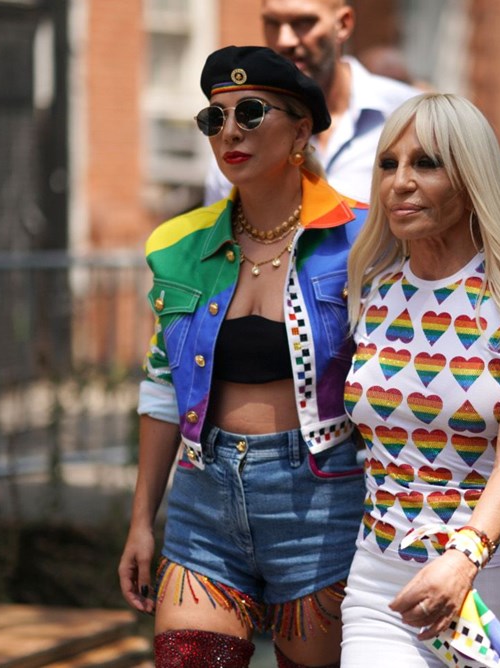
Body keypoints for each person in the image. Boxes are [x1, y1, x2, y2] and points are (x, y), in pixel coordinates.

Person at [118, 46, 368, 668]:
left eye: (251, 112)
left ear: (301, 131)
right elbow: (162, 387)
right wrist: (142, 521)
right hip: (203, 497)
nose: (230, 131)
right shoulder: (177, 245)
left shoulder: (362, 239)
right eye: (215, 118)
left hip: (322, 500)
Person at [339, 92, 500, 666]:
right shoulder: (369, 292)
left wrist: (464, 559)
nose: (400, 182)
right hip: (381, 582)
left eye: (426, 163)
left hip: (496, 586)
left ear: (469, 181)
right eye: (388, 164)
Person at [203, 0, 420, 205]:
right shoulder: (237, 138)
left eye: (303, 22)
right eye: (272, 23)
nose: (284, 40)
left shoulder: (410, 113)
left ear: (343, 24)